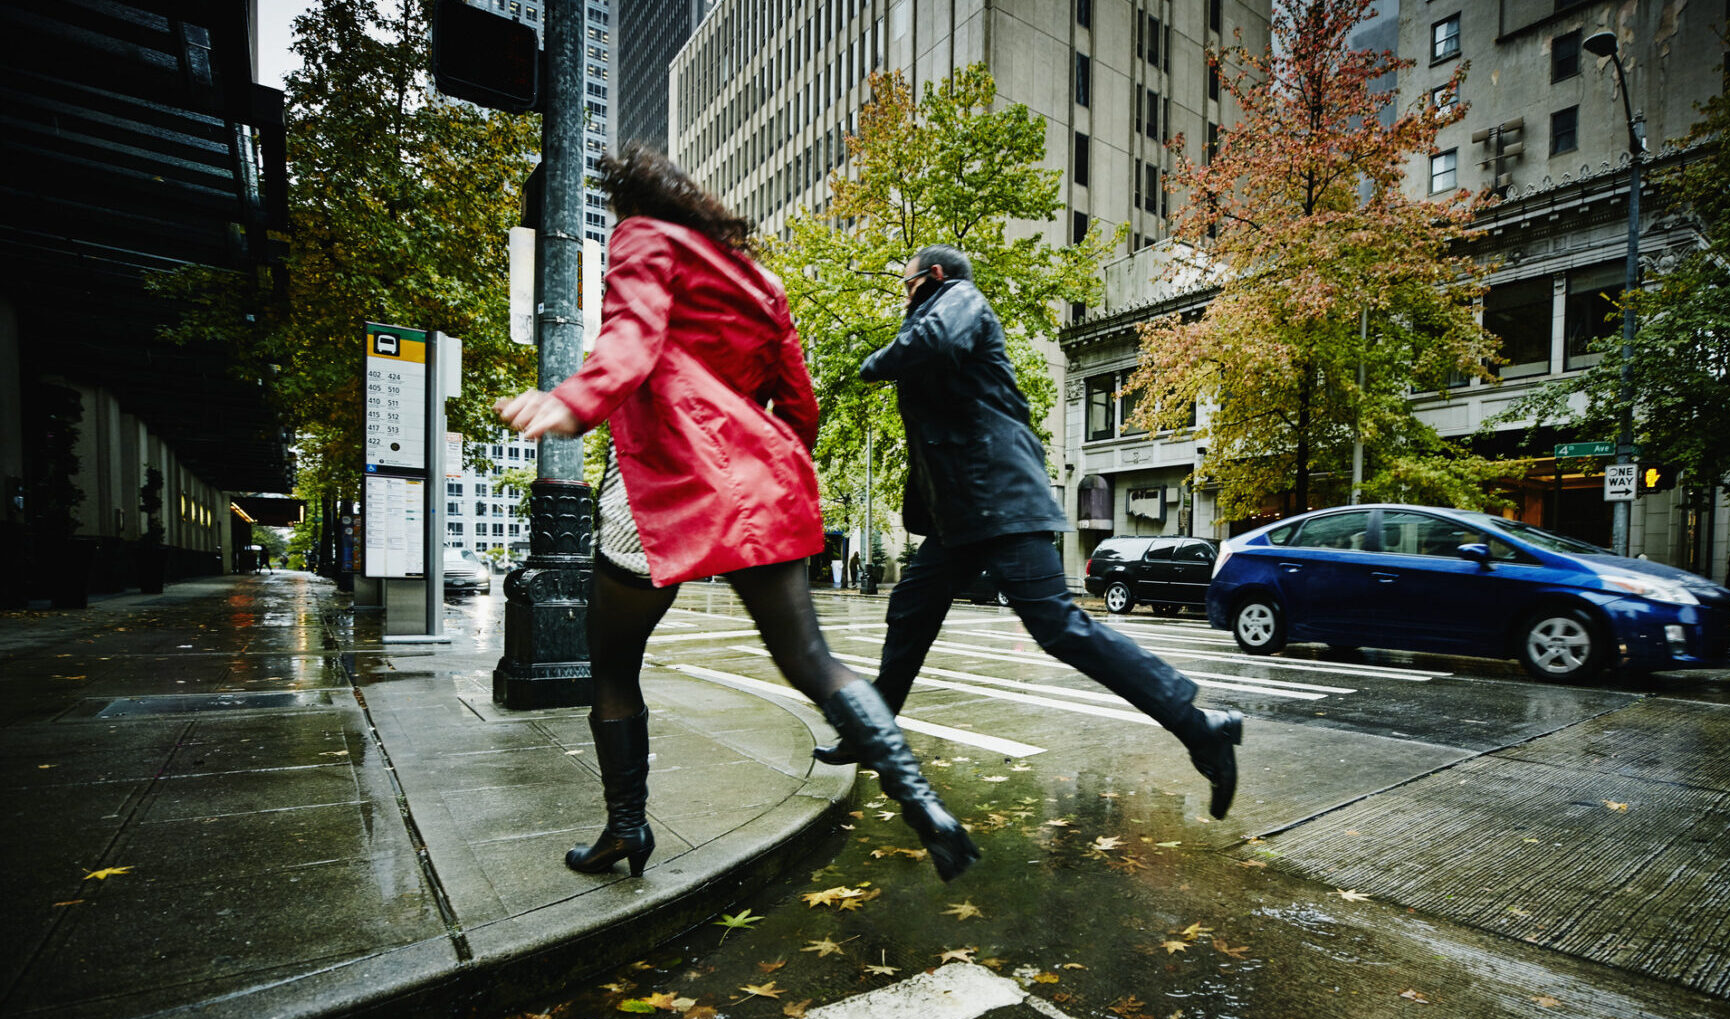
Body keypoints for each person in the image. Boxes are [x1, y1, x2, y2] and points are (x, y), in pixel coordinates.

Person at [494, 148, 978, 882]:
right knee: (811, 660)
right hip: (759, 477)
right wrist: (775, 468)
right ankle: (923, 803)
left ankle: (627, 828)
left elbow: (630, 340)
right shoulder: (761, 281)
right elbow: (801, 403)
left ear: (637, 202)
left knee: (614, 664)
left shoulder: (641, 237)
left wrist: (570, 402)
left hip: (660, 485)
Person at [812, 245, 1245, 818]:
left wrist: (874, 362)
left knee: (1058, 627)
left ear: (932, 278)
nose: (904, 298)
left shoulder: (960, 300)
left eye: (907, 286)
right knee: (910, 614)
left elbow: (933, 343)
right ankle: (871, 732)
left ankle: (1200, 725)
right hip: (962, 514)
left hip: (1001, 503)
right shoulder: (940, 311)